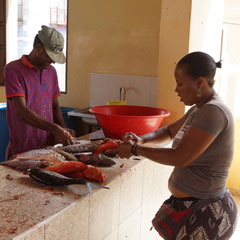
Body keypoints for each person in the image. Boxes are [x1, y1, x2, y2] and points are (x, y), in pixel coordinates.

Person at [115, 52, 238, 239]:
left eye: (180, 84)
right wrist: (140, 140)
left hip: (205, 212)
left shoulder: (213, 111)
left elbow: (180, 157)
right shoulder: (200, 108)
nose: (176, 90)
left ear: (199, 82)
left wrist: (134, 150)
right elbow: (169, 132)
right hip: (192, 206)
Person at [3, 25, 74, 160]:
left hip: (49, 149)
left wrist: (64, 129)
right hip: (23, 151)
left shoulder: (51, 72)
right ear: (38, 49)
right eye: (50, 56)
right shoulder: (13, 70)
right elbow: (21, 111)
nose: (53, 61)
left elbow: (54, 106)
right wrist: (55, 129)